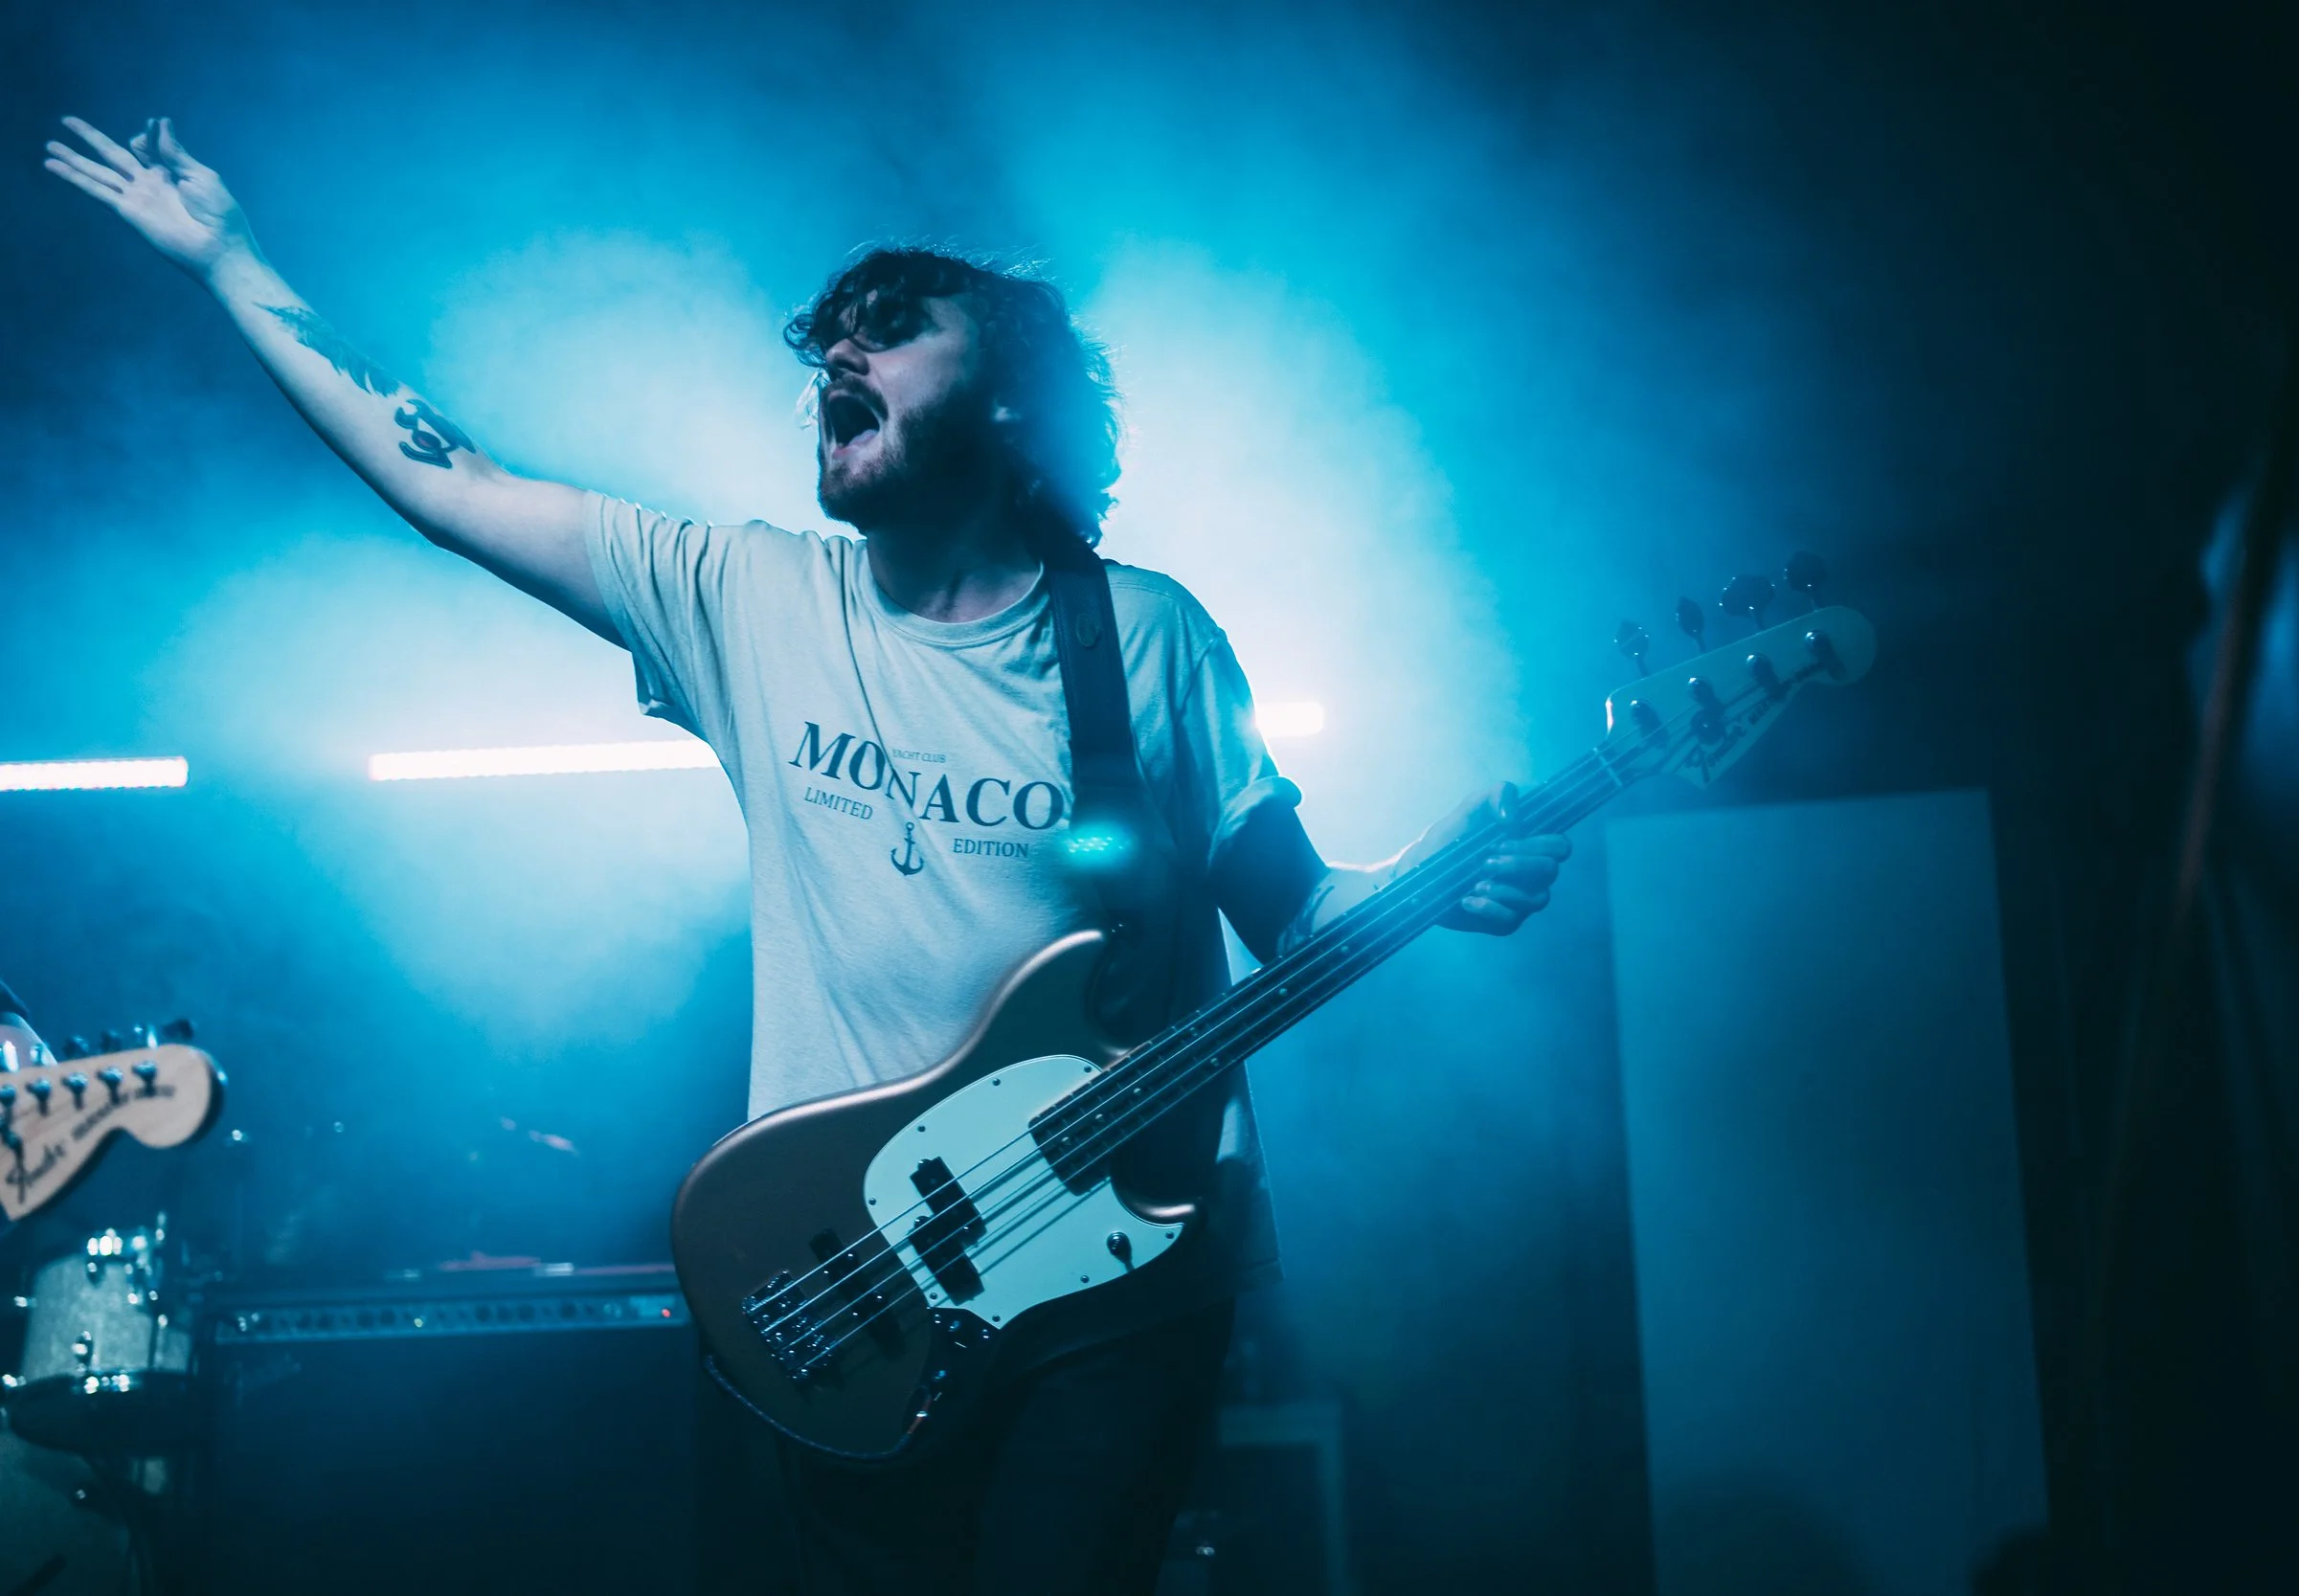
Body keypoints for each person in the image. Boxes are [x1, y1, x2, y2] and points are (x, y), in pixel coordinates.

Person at [44, 115, 1572, 1594]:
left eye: (892, 325)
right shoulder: (750, 599)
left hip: (1124, 1275)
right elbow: (445, 475)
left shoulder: (1145, 636)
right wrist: (231, 260)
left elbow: (1295, 907)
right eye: (827, 335)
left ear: (1015, 400)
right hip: (849, 1269)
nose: (837, 355)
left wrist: (1436, 884)